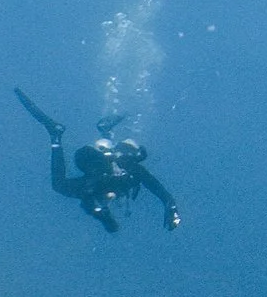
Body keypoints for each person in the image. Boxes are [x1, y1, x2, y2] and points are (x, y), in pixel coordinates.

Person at [15, 88, 180, 233]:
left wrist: (170, 205)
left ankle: (87, 134)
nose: (115, 200)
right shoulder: (127, 176)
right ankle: (60, 136)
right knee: (63, 184)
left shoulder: (124, 177)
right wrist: (105, 218)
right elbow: (155, 187)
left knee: (65, 183)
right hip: (89, 159)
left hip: (89, 158)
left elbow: (157, 189)